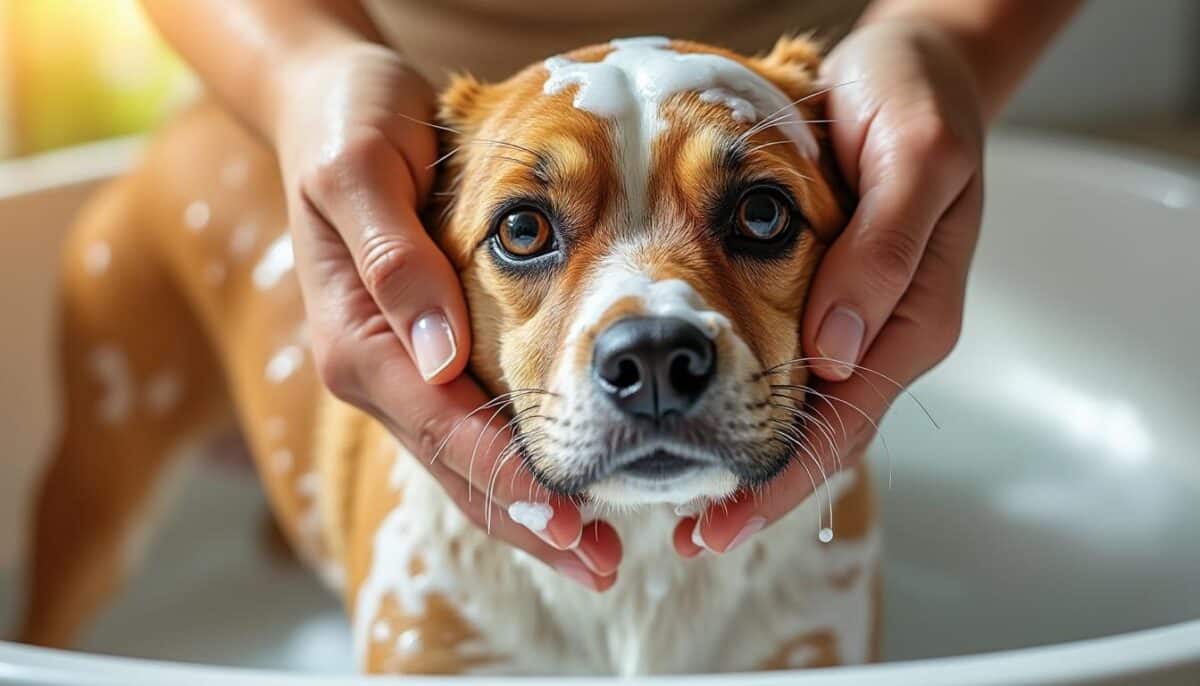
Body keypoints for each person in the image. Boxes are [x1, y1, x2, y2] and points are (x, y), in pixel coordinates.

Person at [141, 0, 1079, 577]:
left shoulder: (826, 134)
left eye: (760, 217)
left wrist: (942, 36)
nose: (654, 344)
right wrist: (303, 72)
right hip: (391, 115)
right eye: (525, 232)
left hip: (844, 87)